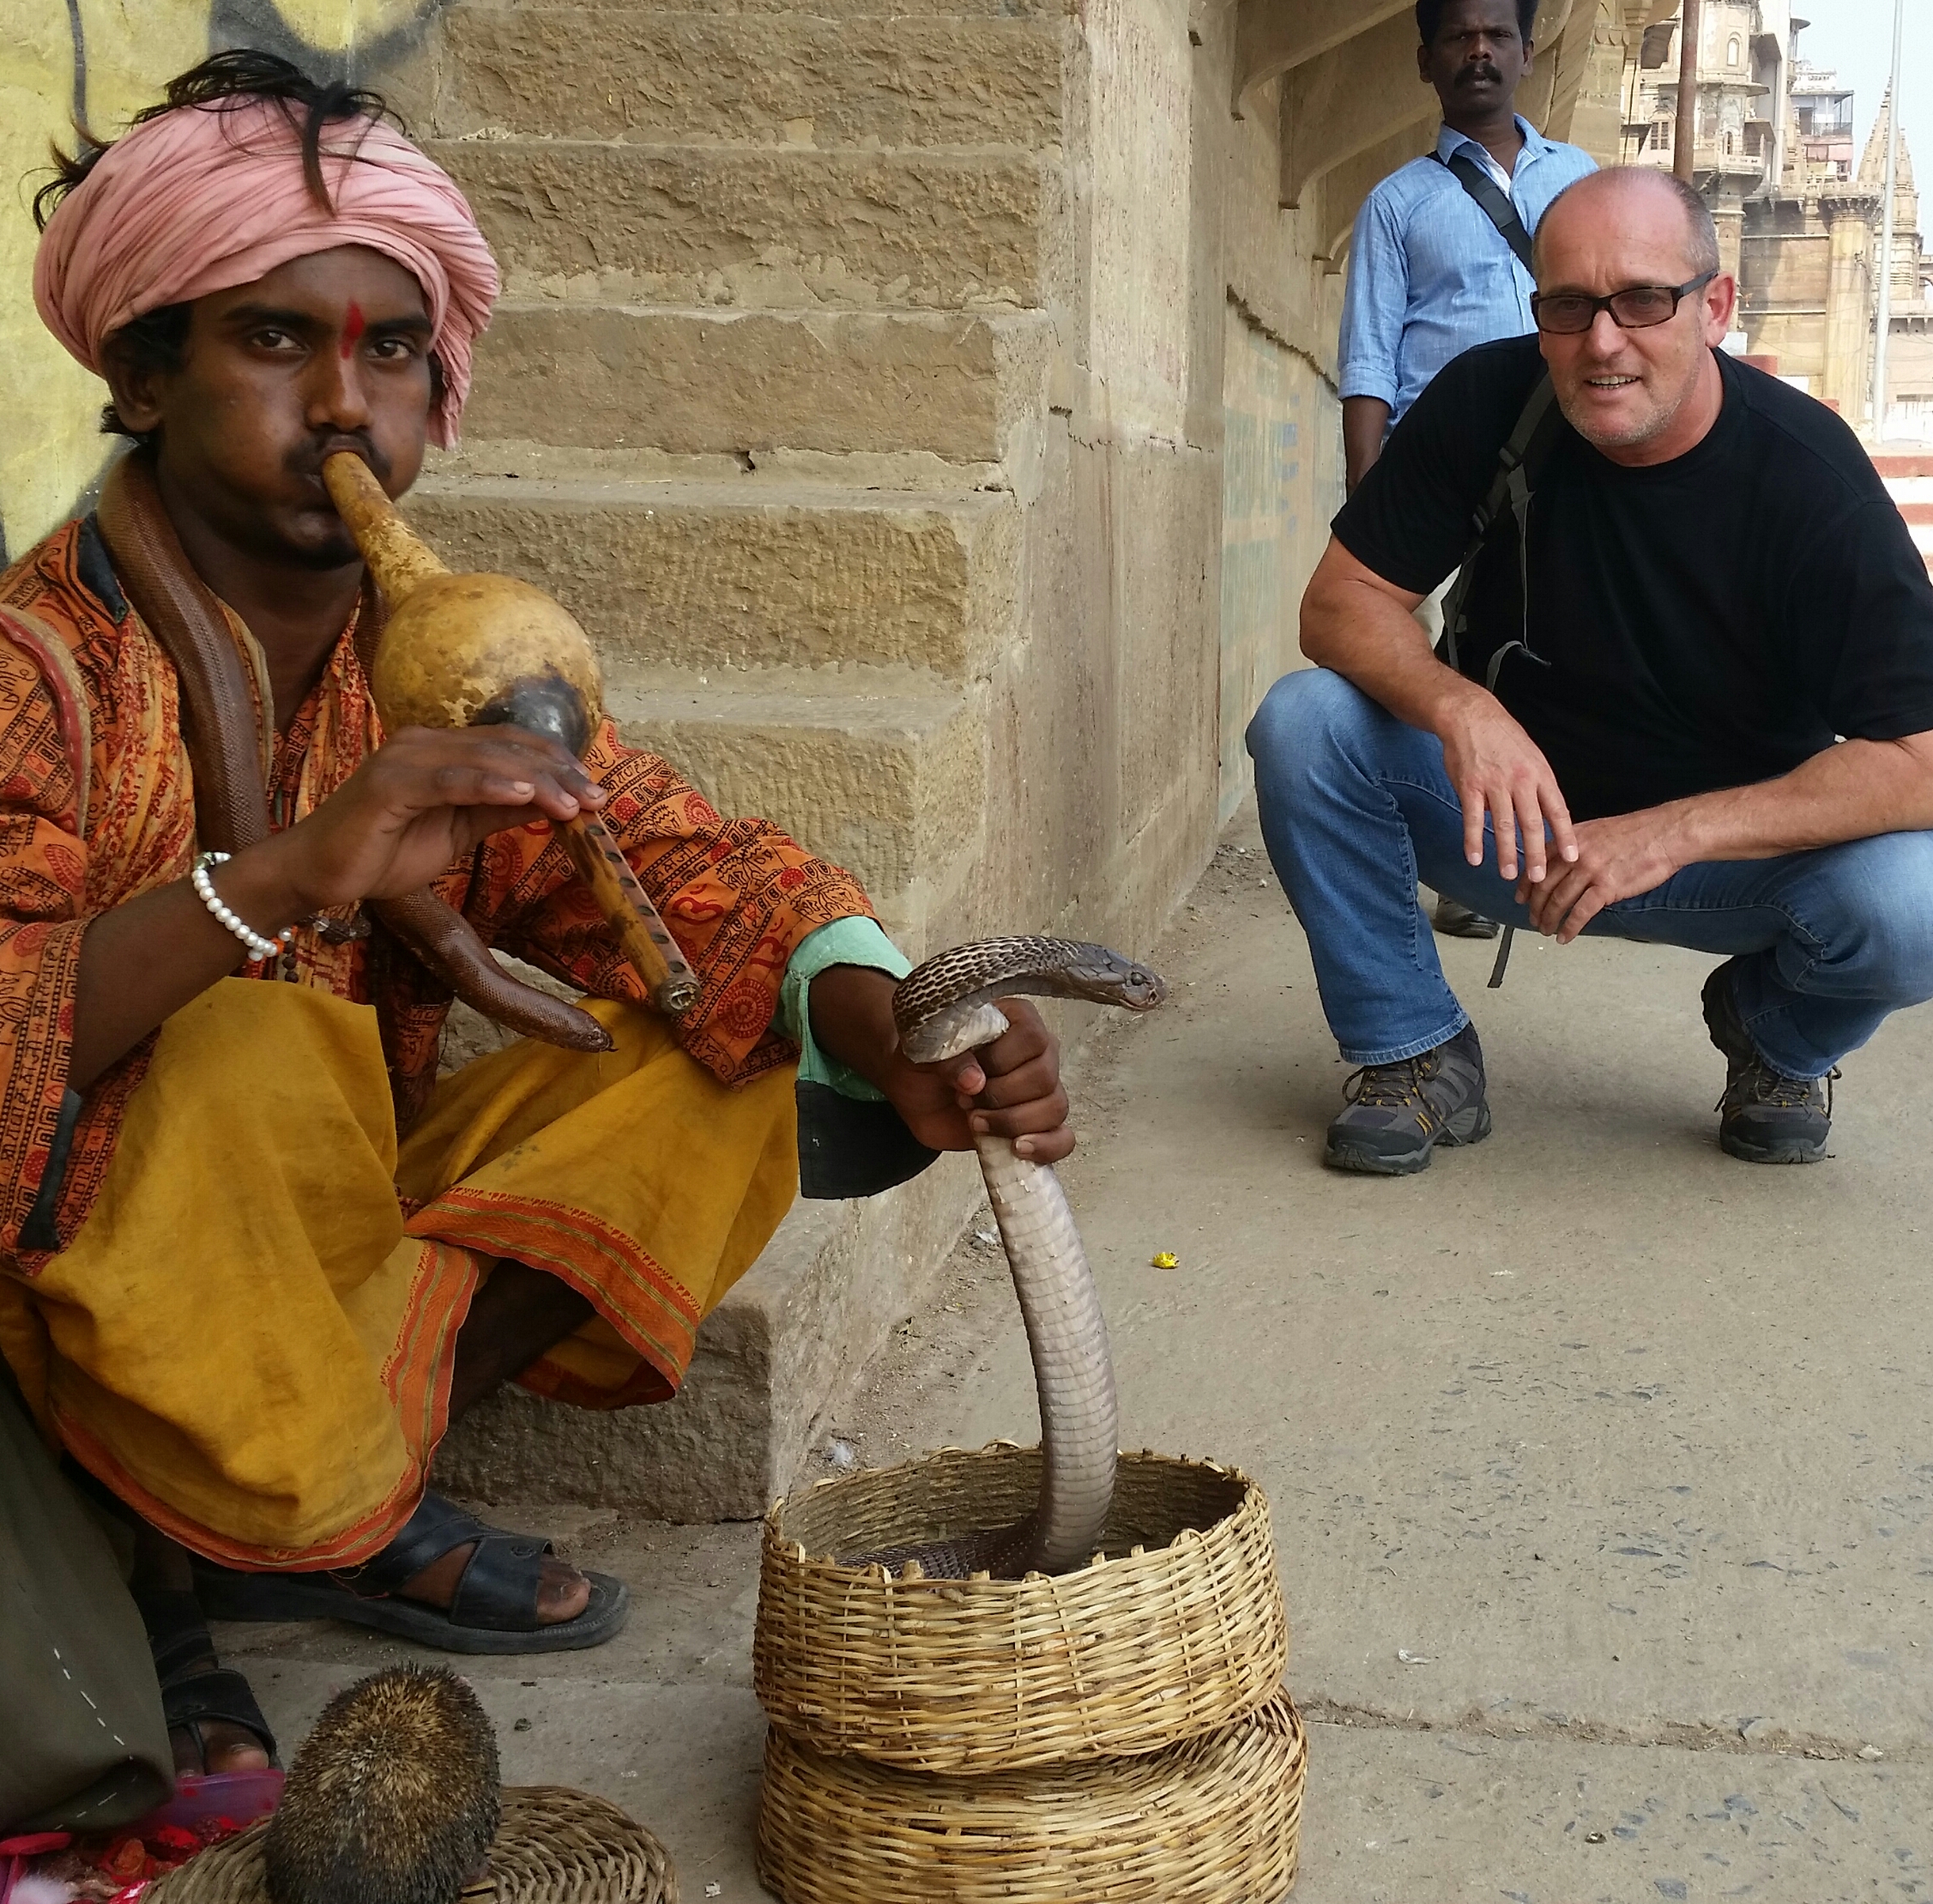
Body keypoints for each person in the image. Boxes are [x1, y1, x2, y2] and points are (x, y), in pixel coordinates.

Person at [2, 53, 1078, 1774]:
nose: (343, 405)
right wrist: (279, 879)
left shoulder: (436, 662)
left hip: (300, 1254)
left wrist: (897, 1022)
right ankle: (163, 1554)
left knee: (722, 1057)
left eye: (391, 350)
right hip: (73, 1292)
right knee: (245, 1049)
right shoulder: (37, 669)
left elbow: (676, 862)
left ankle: (328, 1489)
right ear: (140, 372)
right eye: (274, 340)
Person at [1247, 166, 1933, 1176]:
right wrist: (1462, 708)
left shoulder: (1809, 476)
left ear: (1715, 307)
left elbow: (1919, 758)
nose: (1602, 342)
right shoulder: (1489, 399)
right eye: (1569, 306)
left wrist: (1668, 833)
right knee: (1305, 722)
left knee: (1917, 899)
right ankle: (1412, 1048)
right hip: (1513, 830)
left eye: (1644, 300)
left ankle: (1775, 1035)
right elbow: (1337, 604)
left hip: (1734, 864)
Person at [1338, 0, 1596, 940]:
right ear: (1426, 62)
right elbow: (1368, 361)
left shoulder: (1581, 180)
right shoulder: (1396, 203)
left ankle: (1557, 842)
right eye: (1457, 37)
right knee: (1429, 669)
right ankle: (1458, 861)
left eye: (1496, 36)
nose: (1478, 51)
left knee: (1532, 647)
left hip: (1565, 457)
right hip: (1438, 472)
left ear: (1526, 53)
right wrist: (1368, 507)